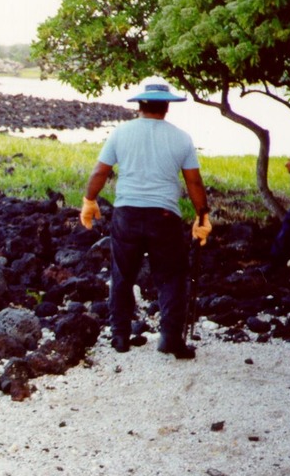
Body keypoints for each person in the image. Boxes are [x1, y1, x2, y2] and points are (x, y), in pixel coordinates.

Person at [80, 81, 211, 359]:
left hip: (127, 213)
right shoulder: (181, 138)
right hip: (164, 216)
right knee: (171, 277)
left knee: (122, 274)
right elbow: (194, 182)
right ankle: (170, 339)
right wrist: (202, 214)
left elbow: (100, 171)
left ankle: (120, 336)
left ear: (139, 105)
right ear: (167, 107)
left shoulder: (121, 133)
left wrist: (89, 199)